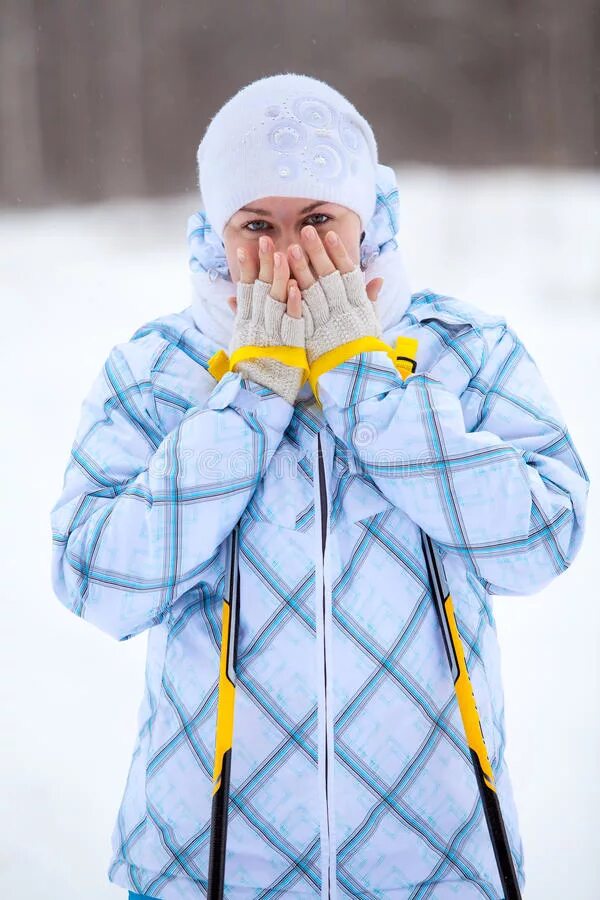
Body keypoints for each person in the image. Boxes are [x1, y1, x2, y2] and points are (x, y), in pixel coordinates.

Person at [49, 73, 590, 899]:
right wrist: (250, 401)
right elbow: (97, 584)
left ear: (365, 219)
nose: (287, 252)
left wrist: (364, 382)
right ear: (214, 230)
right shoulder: (156, 371)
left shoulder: (463, 349)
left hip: (436, 860)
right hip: (211, 865)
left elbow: (540, 542)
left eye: (318, 220)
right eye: (255, 224)